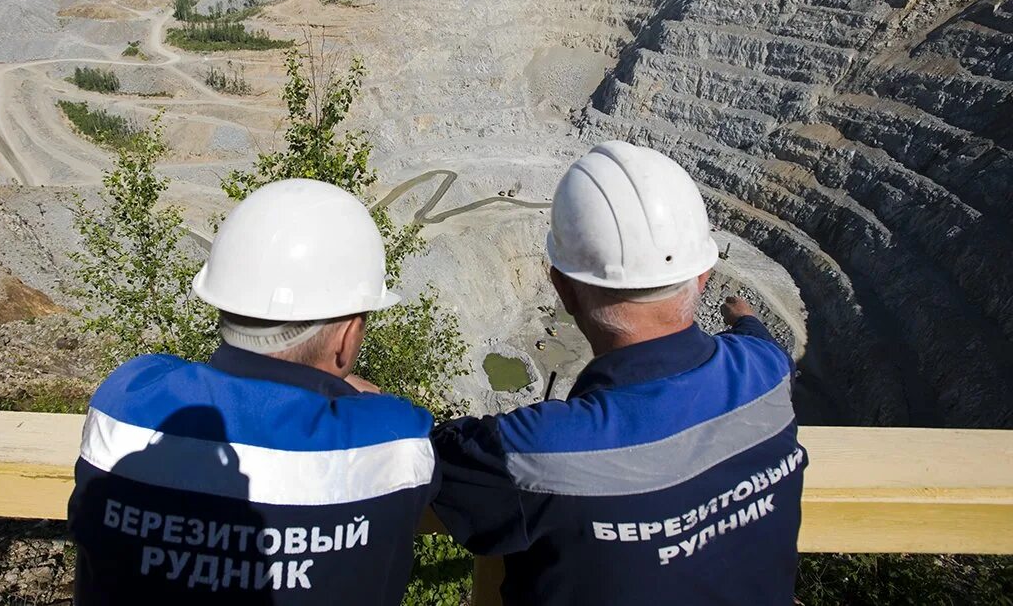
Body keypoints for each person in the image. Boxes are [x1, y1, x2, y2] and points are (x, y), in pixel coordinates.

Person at [431, 141, 807, 606]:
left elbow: (428, 457)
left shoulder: (538, 451)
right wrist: (746, 320)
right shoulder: (767, 371)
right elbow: (760, 344)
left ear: (564, 290)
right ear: (703, 276)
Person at [68, 179, 437, 605]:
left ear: (224, 299)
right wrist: (355, 399)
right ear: (347, 338)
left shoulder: (126, 401)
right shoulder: (391, 440)